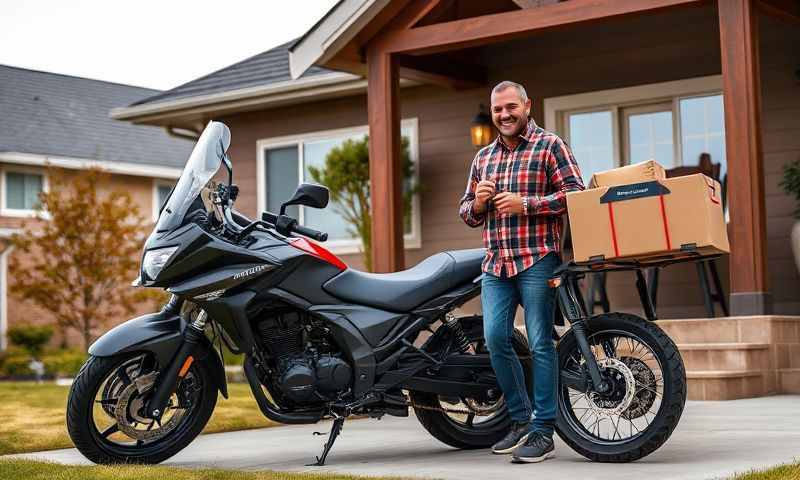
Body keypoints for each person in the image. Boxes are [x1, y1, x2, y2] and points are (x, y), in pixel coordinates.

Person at [458, 81, 584, 464]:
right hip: (496, 264)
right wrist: (478, 204)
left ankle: (543, 431)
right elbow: (466, 212)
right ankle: (519, 420)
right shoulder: (483, 158)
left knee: (542, 342)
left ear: (527, 106)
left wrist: (526, 204)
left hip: (537, 259)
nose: (504, 115)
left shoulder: (550, 146)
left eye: (511, 107)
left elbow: (575, 194)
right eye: (498, 110)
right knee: (497, 338)